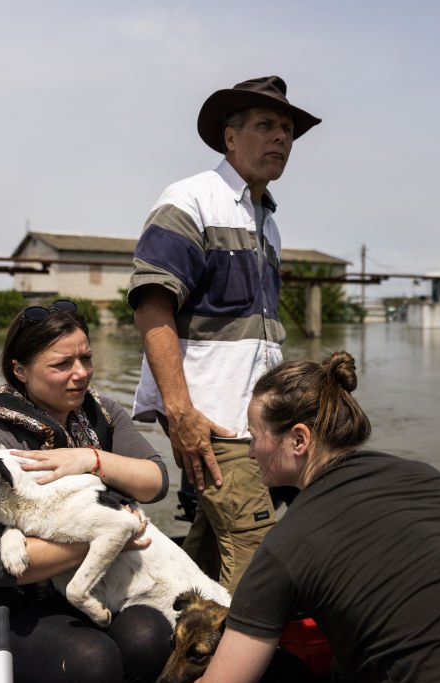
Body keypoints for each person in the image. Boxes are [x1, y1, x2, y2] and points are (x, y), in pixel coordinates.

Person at [198, 352, 440, 683]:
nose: (250, 452)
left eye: (255, 436)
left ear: (299, 440)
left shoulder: (285, 547)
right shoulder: (428, 478)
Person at [128, 75, 321, 592]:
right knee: (254, 543)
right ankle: (232, 667)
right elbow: (152, 306)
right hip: (210, 416)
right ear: (230, 137)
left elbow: (259, 337)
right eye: (266, 126)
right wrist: (180, 412)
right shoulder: (191, 199)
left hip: (255, 416)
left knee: (215, 542)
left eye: (287, 129)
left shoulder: (268, 223)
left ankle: (176, 638)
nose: (281, 138)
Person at [0, 300, 172, 683]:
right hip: (9, 605)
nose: (80, 374)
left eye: (86, 359)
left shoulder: (101, 413)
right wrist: (113, 536)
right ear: (20, 370)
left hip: (92, 583)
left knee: (153, 638)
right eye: (61, 365)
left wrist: (92, 458)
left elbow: (156, 483)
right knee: (91, 661)